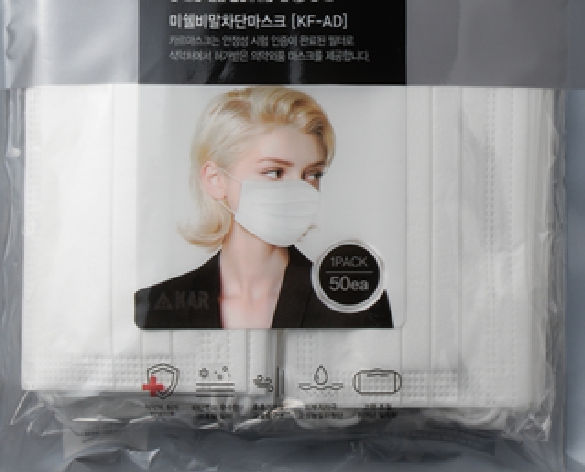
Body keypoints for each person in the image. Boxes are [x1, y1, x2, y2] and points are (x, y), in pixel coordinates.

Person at [135, 86, 393, 329]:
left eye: (312, 174)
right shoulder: (156, 307)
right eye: (274, 172)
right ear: (215, 180)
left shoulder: (358, 306)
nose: (299, 189)